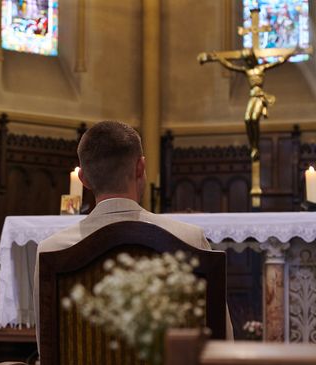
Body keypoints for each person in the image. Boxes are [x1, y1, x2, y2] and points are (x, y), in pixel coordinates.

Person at [33, 120, 234, 348]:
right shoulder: (189, 239)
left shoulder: (53, 249)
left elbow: (46, 348)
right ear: (140, 167)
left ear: (84, 180)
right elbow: (221, 343)